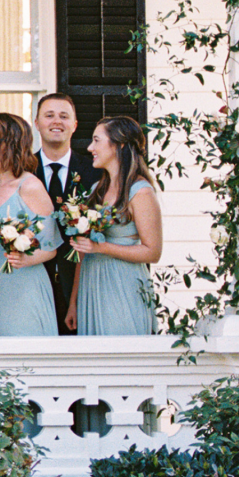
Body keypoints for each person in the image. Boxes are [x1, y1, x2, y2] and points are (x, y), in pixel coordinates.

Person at [67, 116, 162, 337]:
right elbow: (84, 250)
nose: (90, 148)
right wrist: (74, 301)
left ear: (119, 145)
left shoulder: (140, 191)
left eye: (96, 140)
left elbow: (153, 252)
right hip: (91, 284)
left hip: (122, 284)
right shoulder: (95, 190)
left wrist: (102, 248)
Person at [0, 112, 61, 337]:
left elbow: (51, 248)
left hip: (26, 290)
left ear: (9, 141)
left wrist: (27, 258)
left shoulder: (30, 186)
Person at [36, 92, 96, 335]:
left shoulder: (95, 172)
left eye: (64, 116)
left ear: (75, 124)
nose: (56, 122)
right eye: (49, 115)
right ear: (37, 123)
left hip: (83, 284)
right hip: (33, 282)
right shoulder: (22, 171)